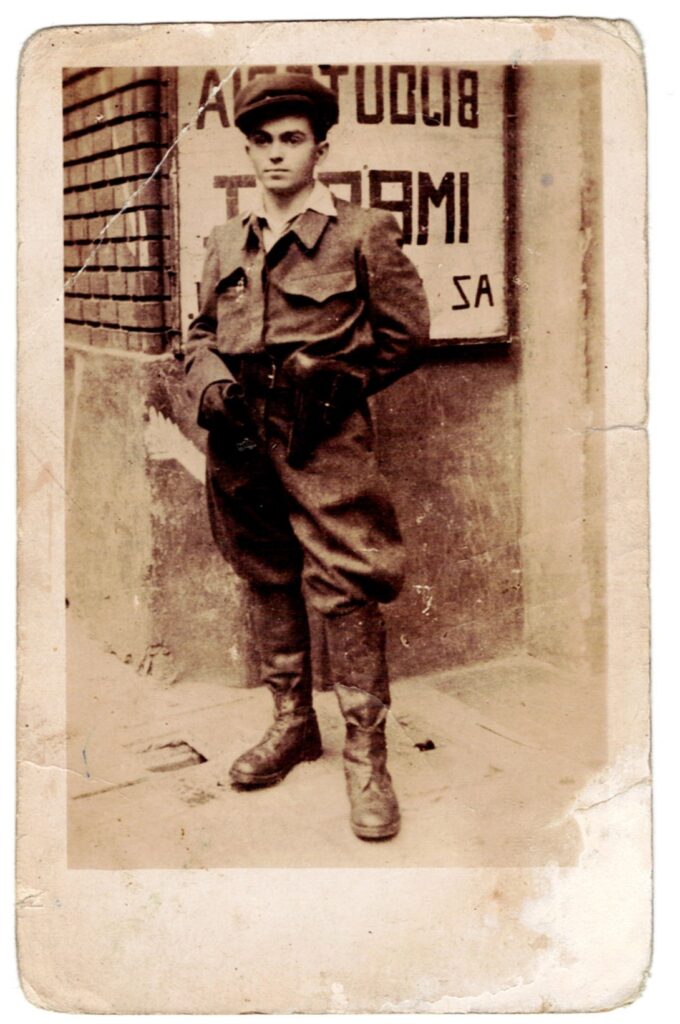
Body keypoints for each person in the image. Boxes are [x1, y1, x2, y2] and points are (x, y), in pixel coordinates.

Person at [184, 73, 430, 840]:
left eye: (291, 139)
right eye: (260, 141)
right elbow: (195, 334)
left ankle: (367, 756)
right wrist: (211, 387)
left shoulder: (362, 231)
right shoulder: (226, 239)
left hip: (324, 438)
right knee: (263, 570)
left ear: (321, 146)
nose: (274, 155)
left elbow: (406, 334)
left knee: (346, 583)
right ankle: (293, 723)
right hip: (241, 439)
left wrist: (339, 382)